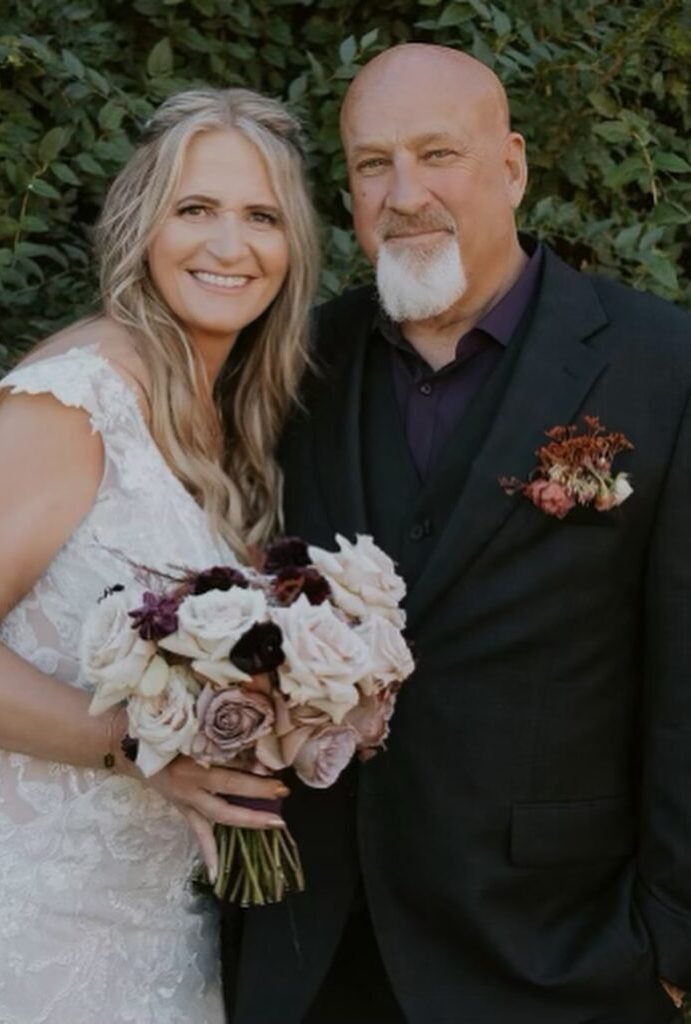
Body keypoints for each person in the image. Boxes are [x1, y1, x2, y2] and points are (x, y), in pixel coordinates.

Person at [229, 44, 691, 1024]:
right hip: (312, 955)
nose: (404, 194)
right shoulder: (290, 366)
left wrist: (672, 945)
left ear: (513, 166)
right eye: (371, 164)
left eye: (437, 154)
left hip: (556, 956)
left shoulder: (664, 366)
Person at [0, 86, 319, 1023]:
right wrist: (138, 747)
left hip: (154, 900)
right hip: (23, 899)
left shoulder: (234, 418)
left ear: (295, 247)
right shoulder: (77, 399)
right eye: (195, 209)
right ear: (143, 225)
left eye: (261, 216)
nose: (229, 246)